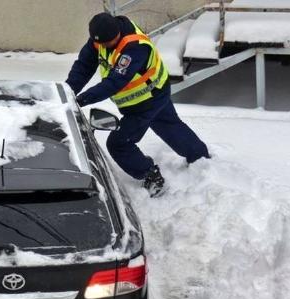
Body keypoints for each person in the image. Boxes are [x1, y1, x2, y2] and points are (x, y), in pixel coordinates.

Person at [66, 13, 210, 197]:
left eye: (108, 42)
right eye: (100, 43)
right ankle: (200, 158)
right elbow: (83, 66)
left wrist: (81, 100)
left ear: (117, 33)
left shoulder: (134, 47)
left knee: (119, 143)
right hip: (151, 92)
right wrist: (68, 91)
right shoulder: (100, 39)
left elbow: (115, 82)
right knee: (169, 125)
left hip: (147, 100)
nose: (104, 46)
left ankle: (151, 176)